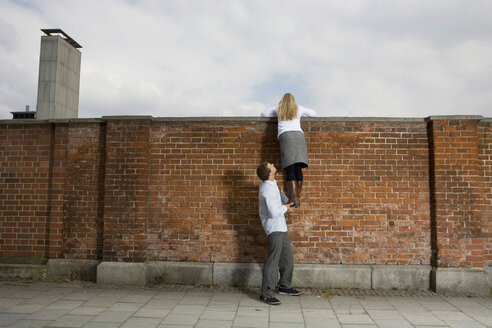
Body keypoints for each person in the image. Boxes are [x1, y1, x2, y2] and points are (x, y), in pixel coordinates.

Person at [261, 93, 317, 207]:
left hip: (286, 137)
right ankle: (297, 198)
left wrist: (275, 112)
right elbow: (314, 114)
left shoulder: (279, 109)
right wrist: (301, 115)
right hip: (299, 137)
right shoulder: (299, 108)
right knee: (298, 168)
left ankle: (293, 199)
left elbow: (263, 113)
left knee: (290, 168)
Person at [256, 161, 301, 305]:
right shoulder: (266, 190)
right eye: (271, 165)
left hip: (281, 226)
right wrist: (286, 207)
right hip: (274, 227)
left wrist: (288, 201)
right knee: (273, 261)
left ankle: (284, 286)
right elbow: (273, 212)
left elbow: (279, 194)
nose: (273, 165)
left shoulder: (272, 183)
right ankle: (266, 293)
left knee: (287, 259)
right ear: (269, 172)